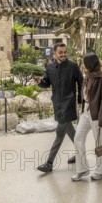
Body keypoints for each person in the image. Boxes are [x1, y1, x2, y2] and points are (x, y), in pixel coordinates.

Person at [36, 43, 84, 173]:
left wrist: (80, 99)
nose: (63, 54)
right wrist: (41, 82)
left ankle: (49, 163)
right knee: (69, 130)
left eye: (65, 52)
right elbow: (46, 83)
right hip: (57, 103)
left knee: (59, 134)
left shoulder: (73, 66)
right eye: (60, 52)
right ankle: (81, 153)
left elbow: (81, 82)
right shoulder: (50, 67)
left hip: (69, 103)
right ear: (55, 54)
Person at [72, 52, 102, 182]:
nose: (83, 65)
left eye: (84, 63)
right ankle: (82, 169)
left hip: (97, 114)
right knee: (78, 138)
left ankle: (101, 170)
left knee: (100, 143)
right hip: (86, 112)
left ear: (90, 64)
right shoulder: (88, 76)